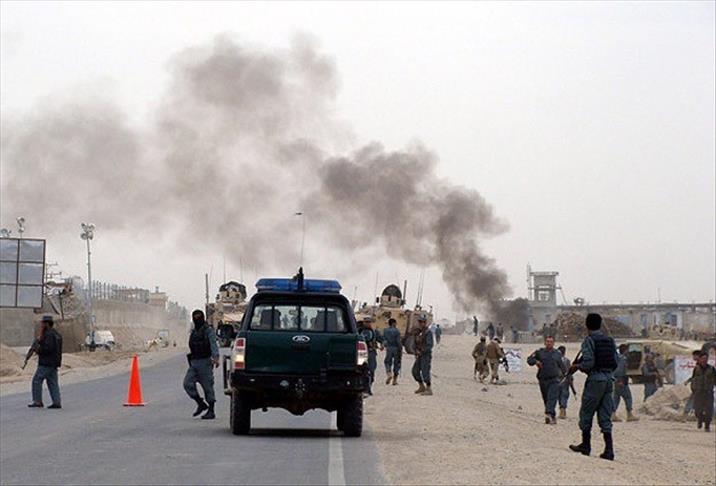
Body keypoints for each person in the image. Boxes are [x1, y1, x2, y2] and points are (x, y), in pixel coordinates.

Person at [569, 313, 619, 461]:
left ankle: (586, 445)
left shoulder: (589, 340)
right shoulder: (610, 340)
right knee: (605, 414)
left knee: (587, 411)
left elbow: (588, 363)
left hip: (596, 379)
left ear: (587, 325)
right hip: (609, 379)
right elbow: (616, 362)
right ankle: (609, 450)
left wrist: (576, 366)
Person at [183, 309, 219, 419]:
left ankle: (211, 410)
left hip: (205, 362)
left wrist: (216, 358)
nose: (197, 319)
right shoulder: (194, 332)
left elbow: (213, 344)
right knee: (187, 383)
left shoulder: (208, 330)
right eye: (195, 317)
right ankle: (200, 403)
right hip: (194, 363)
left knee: (208, 387)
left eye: (199, 317)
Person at [527, 336, 566, 424]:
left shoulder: (557, 353)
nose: (549, 343)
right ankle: (552, 415)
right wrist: (536, 362)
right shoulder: (539, 352)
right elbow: (529, 360)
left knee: (552, 397)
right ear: (545, 343)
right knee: (546, 399)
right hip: (543, 379)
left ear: (553, 343)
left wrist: (565, 375)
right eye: (547, 341)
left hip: (554, 379)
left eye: (551, 342)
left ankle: (548, 414)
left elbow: (562, 366)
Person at [28, 316, 63, 409]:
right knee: (52, 383)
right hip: (54, 363)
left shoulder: (49, 335)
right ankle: (56, 402)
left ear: (47, 324)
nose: (41, 325)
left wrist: (38, 349)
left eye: (43, 323)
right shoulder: (56, 334)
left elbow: (48, 348)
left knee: (37, 380)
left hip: (46, 363)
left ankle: (37, 401)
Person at [612, 344, 639, 422]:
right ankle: (629, 414)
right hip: (621, 380)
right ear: (625, 350)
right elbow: (620, 370)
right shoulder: (623, 359)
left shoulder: (617, 358)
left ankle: (613, 414)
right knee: (628, 397)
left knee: (616, 398)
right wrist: (620, 380)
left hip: (615, 380)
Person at [690, 351, 716, 431]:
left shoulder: (711, 369)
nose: (705, 360)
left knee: (709, 410)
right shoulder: (696, 369)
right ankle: (700, 419)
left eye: (706, 358)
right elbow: (693, 379)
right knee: (698, 410)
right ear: (700, 359)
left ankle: (707, 426)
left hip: (708, 392)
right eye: (703, 358)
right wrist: (693, 389)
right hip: (698, 392)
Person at [411, 316, 434, 395]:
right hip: (419, 355)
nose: (420, 324)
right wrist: (415, 350)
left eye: (422, 322)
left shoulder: (428, 332)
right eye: (419, 322)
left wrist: (422, 351)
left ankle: (428, 388)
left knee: (425, 371)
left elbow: (429, 345)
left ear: (425, 323)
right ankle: (421, 386)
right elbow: (414, 344)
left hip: (425, 355)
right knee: (415, 371)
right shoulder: (418, 332)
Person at [358, 317, 380, 394]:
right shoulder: (359, 331)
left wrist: (383, 343)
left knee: (371, 370)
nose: (368, 323)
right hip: (362, 353)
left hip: (371, 352)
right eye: (366, 322)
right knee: (362, 371)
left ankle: (368, 388)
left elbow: (380, 338)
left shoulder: (374, 331)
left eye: (369, 322)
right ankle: (364, 388)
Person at [382, 318, 402, 385]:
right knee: (397, 363)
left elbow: (384, 340)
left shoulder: (385, 330)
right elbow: (398, 342)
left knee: (387, 362)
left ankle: (389, 374)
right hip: (396, 349)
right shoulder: (397, 331)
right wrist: (400, 349)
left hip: (389, 348)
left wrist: (383, 346)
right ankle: (394, 380)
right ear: (393, 323)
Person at [557, 345, 572, 419]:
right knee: (564, 395)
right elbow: (570, 371)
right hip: (565, 380)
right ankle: (563, 409)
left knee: (560, 395)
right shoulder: (567, 361)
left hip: (558, 380)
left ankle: (562, 409)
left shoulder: (556, 360)